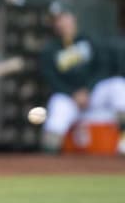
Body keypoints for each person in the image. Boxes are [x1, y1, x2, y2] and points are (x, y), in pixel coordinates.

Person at [40, 11, 125, 152]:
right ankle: (48, 158)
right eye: (59, 20)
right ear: (55, 25)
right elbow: (52, 79)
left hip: (93, 93)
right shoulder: (50, 49)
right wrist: (73, 93)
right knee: (57, 106)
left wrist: (88, 89)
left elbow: (102, 67)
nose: (63, 23)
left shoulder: (88, 40)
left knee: (118, 85)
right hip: (69, 98)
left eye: (66, 19)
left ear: (74, 20)